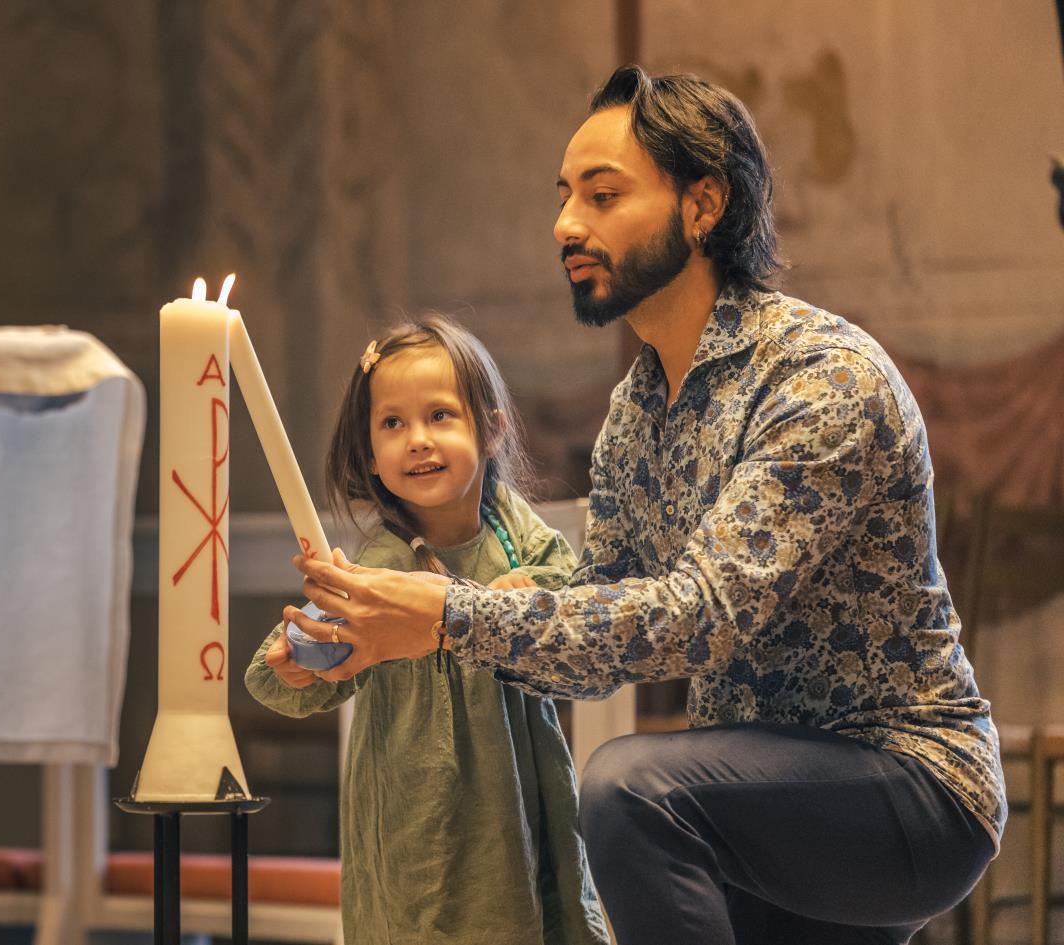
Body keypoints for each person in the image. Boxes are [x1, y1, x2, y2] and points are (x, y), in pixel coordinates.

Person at [282, 65, 1004, 945]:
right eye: (563, 196)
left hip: (912, 782)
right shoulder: (635, 412)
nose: (565, 224)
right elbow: (598, 645)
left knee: (629, 787)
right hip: (753, 802)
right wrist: (445, 614)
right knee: (643, 800)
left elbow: (703, 615)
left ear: (703, 206)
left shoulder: (819, 378)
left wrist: (452, 617)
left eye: (603, 193)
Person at [245, 313, 610, 945]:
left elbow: (581, 601)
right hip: (419, 811)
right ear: (371, 457)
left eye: (440, 415)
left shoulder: (511, 528)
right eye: (393, 423)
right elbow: (292, 674)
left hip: (516, 797)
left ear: (490, 429)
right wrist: (299, 661)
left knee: (527, 909)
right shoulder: (383, 564)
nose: (417, 439)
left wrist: (530, 595)